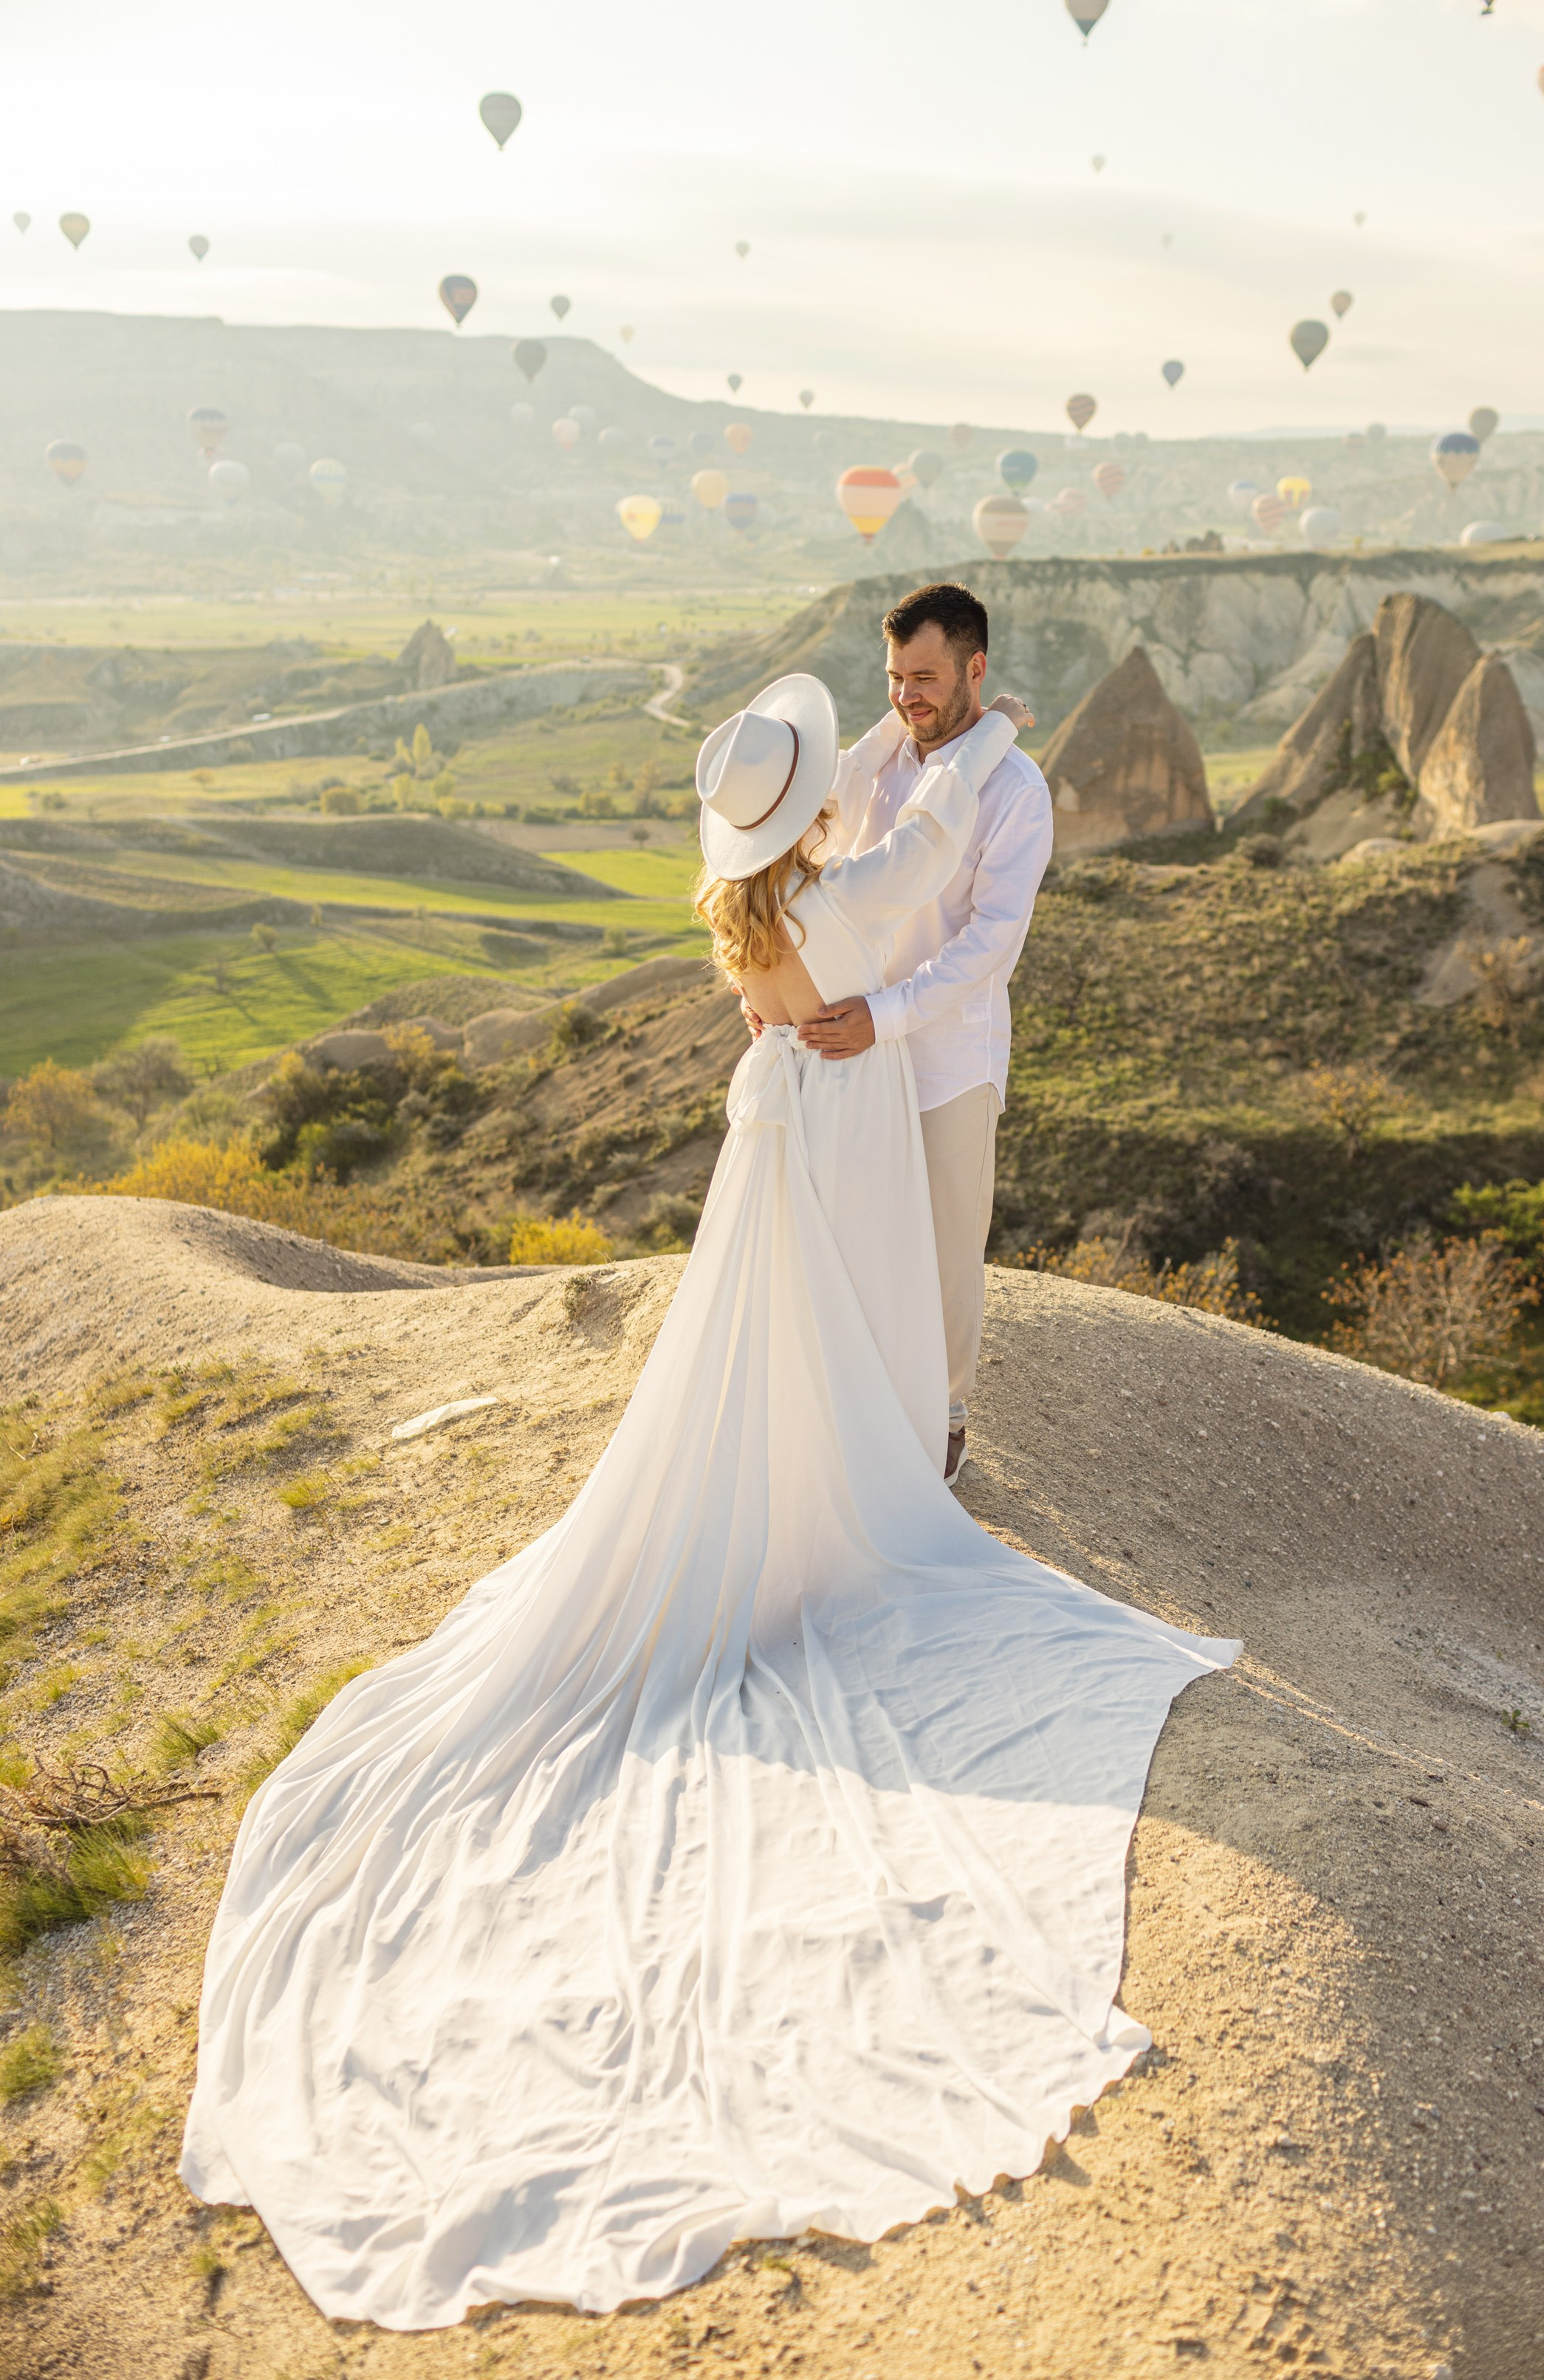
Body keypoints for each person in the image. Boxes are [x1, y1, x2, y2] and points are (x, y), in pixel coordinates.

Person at [182, 671, 1236, 2334]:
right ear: (813, 799)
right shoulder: (849, 889)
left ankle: (810, 1495)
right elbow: (943, 840)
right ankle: (856, 1502)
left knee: (763, 1347)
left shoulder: (757, 908)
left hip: (772, 1139)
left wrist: (902, 751)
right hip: (834, 1136)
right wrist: (987, 733)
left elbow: (885, 845)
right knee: (843, 1332)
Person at [795, 583, 1054, 1488]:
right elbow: (822, 865)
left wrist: (889, 1017)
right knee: (861, 1235)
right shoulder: (881, 772)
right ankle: (865, 1412)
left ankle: (944, 1421)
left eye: (927, 676)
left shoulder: (1014, 790)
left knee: (947, 1251)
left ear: (975, 669)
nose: (909, 695)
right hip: (856, 1048)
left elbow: (990, 943)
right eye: (895, 677)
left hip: (947, 1058)